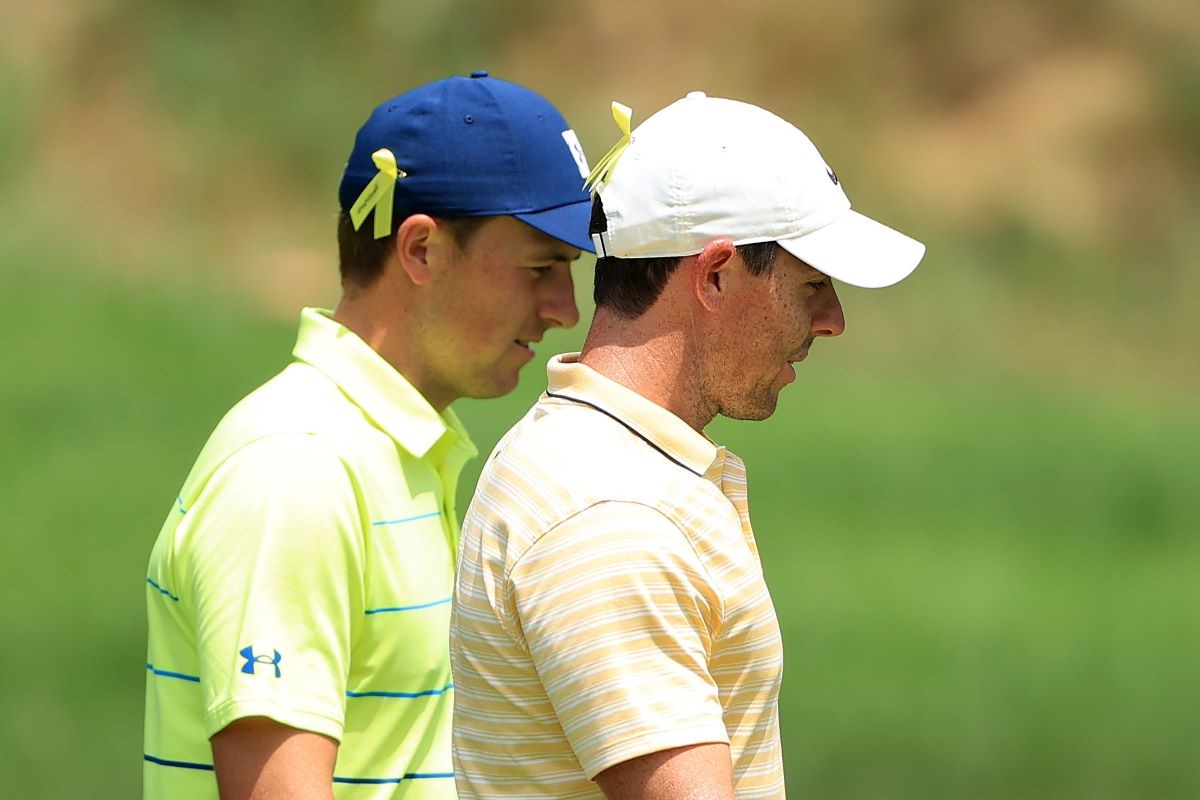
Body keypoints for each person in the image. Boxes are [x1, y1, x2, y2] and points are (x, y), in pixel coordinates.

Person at [449, 91, 926, 799]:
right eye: (812, 285)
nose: (833, 320)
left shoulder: (598, 465)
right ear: (716, 274)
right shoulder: (610, 518)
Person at [143, 71, 594, 800]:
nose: (564, 309)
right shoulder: (297, 472)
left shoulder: (397, 454)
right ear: (421, 250)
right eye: (541, 267)